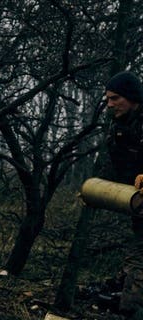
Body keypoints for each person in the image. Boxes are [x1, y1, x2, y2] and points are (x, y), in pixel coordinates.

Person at [101, 71, 143, 318]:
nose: (110, 104)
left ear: (132, 97)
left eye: (115, 98)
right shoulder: (118, 129)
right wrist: (99, 192)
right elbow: (116, 172)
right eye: (107, 99)